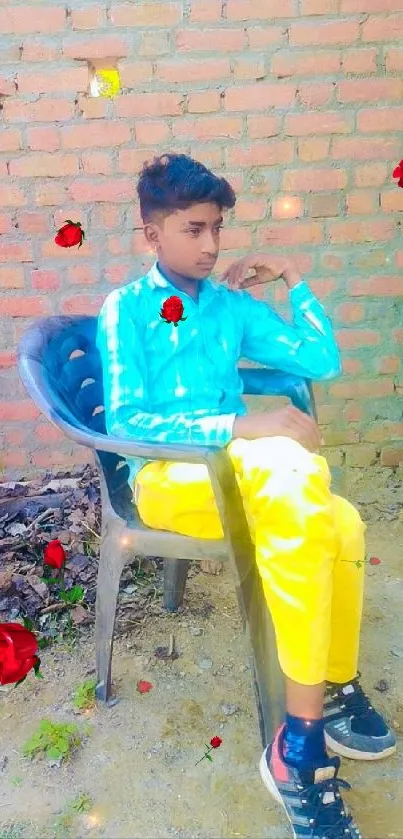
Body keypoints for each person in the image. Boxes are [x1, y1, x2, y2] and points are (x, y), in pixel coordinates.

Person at [97, 153, 396, 839]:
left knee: (341, 524)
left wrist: (292, 281)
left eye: (218, 230)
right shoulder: (125, 311)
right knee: (292, 477)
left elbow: (319, 360)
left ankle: (331, 680)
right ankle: (298, 743)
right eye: (194, 229)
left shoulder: (231, 306)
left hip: (246, 475)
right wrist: (238, 423)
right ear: (153, 234)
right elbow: (127, 423)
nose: (209, 246)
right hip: (171, 478)